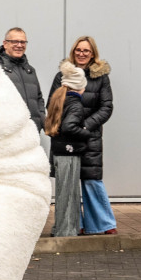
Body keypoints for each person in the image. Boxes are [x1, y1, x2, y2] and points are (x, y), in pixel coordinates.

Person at [49, 37, 117, 235]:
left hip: (90, 136)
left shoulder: (101, 78)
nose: (81, 53)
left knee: (91, 180)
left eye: (86, 51)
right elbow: (54, 103)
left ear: (93, 53)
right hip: (68, 137)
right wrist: (70, 125)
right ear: (73, 51)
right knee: (69, 182)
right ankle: (73, 224)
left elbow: (106, 107)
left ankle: (103, 224)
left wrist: (85, 126)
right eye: (78, 50)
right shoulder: (61, 75)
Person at [45, 62, 91, 237]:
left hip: (58, 152)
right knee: (70, 195)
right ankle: (67, 232)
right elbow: (70, 127)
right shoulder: (75, 104)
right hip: (69, 153)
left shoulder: (59, 98)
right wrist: (85, 132)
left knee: (62, 194)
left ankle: (61, 228)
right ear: (80, 86)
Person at [0, 27, 45, 132]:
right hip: (8, 133)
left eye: (23, 42)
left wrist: (42, 121)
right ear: (5, 43)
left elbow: (39, 98)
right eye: (15, 42)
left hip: (32, 132)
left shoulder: (30, 71)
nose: (19, 45)